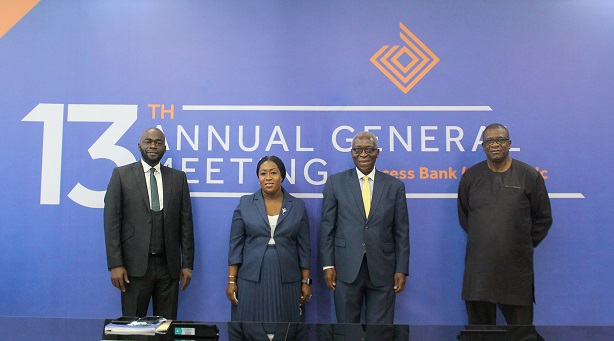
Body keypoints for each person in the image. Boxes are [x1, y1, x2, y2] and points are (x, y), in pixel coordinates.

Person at [457, 123, 553, 325]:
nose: (495, 145)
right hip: (479, 269)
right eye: (489, 141)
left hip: (516, 269)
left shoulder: (529, 176)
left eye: (500, 140)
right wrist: (488, 238)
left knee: (521, 332)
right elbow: (466, 217)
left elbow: (543, 218)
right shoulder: (471, 177)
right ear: (483, 146)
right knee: (480, 334)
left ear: (509, 144)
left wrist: (519, 243)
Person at [320, 131, 410, 324]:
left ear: (377, 152)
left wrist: (401, 269)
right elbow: (328, 227)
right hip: (345, 269)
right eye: (357, 150)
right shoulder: (335, 183)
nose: (363, 155)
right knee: (346, 330)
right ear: (351, 153)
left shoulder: (394, 186)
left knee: (380, 332)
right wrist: (328, 264)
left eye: (369, 150)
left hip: (383, 269)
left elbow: (401, 232)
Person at [104, 127, 194, 319]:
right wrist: (115, 264)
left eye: (158, 142)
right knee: (133, 329)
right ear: (139, 146)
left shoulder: (178, 178)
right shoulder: (121, 176)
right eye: (148, 141)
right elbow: (112, 223)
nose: (153, 146)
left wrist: (187, 264)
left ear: (164, 148)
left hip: (168, 269)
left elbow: (186, 224)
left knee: (166, 328)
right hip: (133, 269)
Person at [227, 156, 311, 322]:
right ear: (258, 178)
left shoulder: (297, 206)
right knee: (249, 326)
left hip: (287, 278)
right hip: (251, 277)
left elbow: (304, 248)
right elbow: (235, 245)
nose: (268, 177)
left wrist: (306, 281)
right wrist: (231, 280)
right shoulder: (245, 204)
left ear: (282, 176)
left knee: (287, 327)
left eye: (273, 172)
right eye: (263, 173)